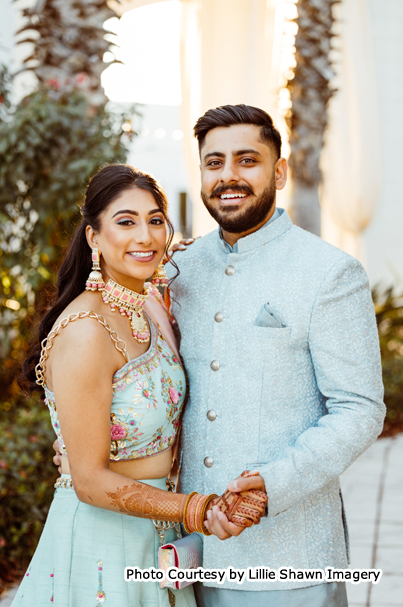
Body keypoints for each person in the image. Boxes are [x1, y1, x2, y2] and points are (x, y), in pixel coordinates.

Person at [14, 164, 267, 607]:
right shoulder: (85, 331)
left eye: (154, 220)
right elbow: (90, 480)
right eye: (125, 221)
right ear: (94, 237)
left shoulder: (149, 306)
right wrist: (198, 509)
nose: (145, 237)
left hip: (161, 538)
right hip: (102, 545)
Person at [164, 105, 386, 607]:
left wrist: (274, 485)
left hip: (294, 558)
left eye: (247, 160)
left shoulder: (329, 272)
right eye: (214, 162)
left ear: (279, 171)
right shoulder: (180, 269)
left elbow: (360, 408)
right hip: (192, 554)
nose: (229, 176)